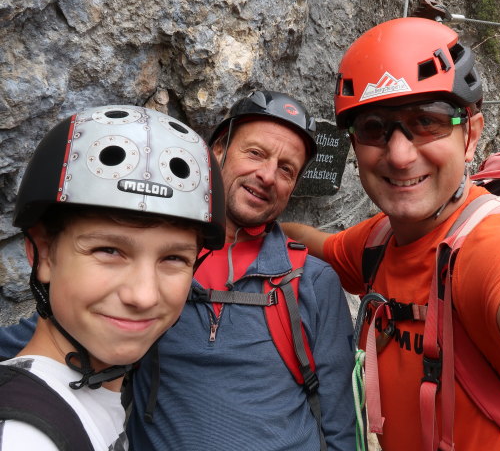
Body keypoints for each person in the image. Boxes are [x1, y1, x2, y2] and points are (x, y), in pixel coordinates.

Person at [282, 17, 500, 451]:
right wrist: (251, 222)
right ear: (355, 146)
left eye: (427, 121)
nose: (398, 155)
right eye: (374, 128)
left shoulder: (497, 245)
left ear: (470, 134)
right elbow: (314, 242)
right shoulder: (378, 242)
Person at [0, 91, 356, 450]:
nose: (267, 175)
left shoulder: (311, 281)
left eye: (286, 169)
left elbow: (338, 422)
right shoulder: (162, 275)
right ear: (217, 151)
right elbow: (57, 332)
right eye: (255, 153)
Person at [0, 104, 225, 450]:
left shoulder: (98, 399)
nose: (144, 295)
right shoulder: (24, 435)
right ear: (42, 253)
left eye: (174, 258)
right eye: (109, 251)